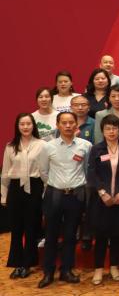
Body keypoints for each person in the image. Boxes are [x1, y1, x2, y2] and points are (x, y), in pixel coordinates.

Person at [38, 112, 92, 287]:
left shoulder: (86, 145)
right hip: (54, 194)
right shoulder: (48, 147)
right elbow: (43, 171)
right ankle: (48, 272)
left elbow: (87, 170)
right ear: (58, 125)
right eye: (64, 123)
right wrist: (56, 185)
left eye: (71, 122)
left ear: (76, 124)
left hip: (76, 195)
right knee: (51, 235)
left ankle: (66, 270)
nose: (68, 126)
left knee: (70, 235)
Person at [3, 114, 46, 279]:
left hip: (35, 188)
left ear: (33, 125)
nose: (26, 127)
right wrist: (3, 195)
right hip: (15, 189)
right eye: (22, 124)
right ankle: (17, 264)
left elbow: (44, 171)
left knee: (31, 227)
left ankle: (28, 263)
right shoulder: (10, 146)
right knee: (16, 229)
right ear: (17, 126)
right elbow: (5, 173)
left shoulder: (42, 145)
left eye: (28, 123)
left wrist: (45, 193)